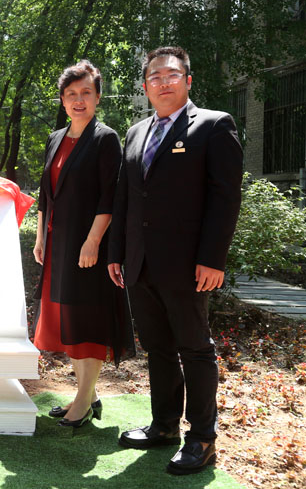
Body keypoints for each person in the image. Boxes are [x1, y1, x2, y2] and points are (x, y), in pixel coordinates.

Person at [108, 46, 242, 475]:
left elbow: (225, 199)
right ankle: (164, 425)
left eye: (171, 75)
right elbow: (125, 197)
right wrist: (117, 252)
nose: (163, 82)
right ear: (145, 86)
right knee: (158, 348)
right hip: (139, 262)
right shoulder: (135, 132)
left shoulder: (214, 126)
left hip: (188, 265)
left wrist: (212, 259)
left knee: (195, 349)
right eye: (155, 76)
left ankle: (202, 438)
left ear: (187, 80)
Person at [32, 60, 135, 429]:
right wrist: (41, 237)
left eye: (86, 93)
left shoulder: (105, 139)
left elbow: (110, 196)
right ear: (63, 100)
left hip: (88, 246)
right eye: (71, 94)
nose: (79, 100)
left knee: (87, 322)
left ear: (97, 98)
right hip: (58, 246)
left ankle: (82, 401)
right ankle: (88, 396)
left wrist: (93, 242)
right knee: (68, 320)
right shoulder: (55, 139)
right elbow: (46, 193)